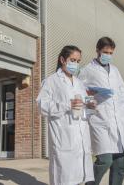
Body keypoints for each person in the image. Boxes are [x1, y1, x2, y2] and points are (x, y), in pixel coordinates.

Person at [36, 45, 95, 185]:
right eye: (72, 60)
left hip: (81, 140)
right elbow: (41, 106)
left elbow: (83, 111)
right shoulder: (51, 81)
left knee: (82, 178)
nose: (75, 64)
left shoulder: (80, 83)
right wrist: (66, 105)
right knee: (64, 179)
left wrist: (91, 107)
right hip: (63, 139)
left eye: (78, 61)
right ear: (63, 59)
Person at [79, 37, 124, 185]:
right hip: (100, 120)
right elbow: (78, 92)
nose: (108, 55)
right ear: (97, 50)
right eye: (105, 52)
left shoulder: (115, 70)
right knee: (105, 160)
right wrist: (89, 100)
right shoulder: (87, 70)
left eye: (111, 53)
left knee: (121, 163)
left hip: (118, 121)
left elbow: (123, 92)